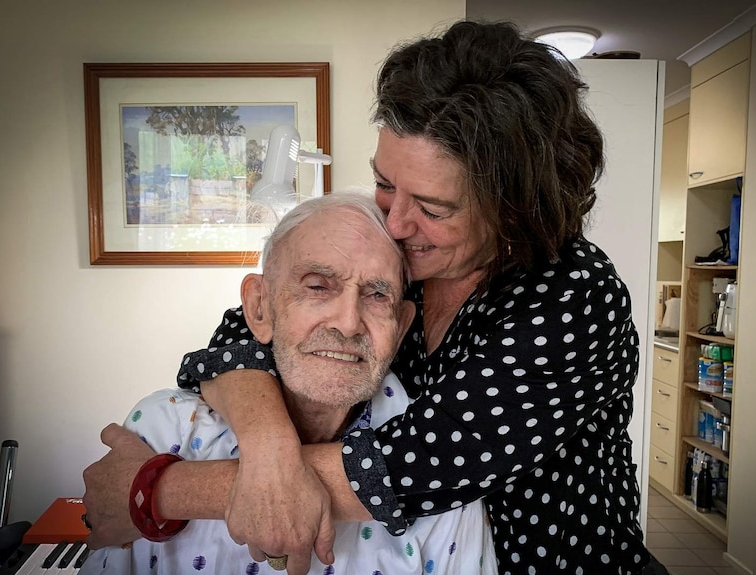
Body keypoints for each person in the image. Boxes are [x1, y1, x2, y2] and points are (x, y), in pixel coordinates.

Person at [83, 20, 653, 575]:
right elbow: (244, 338)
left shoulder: (571, 299)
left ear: (512, 209)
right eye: (384, 183)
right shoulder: (406, 249)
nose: (397, 223)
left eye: (432, 209)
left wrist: (157, 488)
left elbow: (414, 466)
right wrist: (269, 446)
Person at [81, 192, 497, 574]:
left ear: (402, 324)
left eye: (376, 296)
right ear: (259, 307)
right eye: (317, 286)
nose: (349, 323)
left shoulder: (445, 477)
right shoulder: (163, 429)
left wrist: (164, 491)